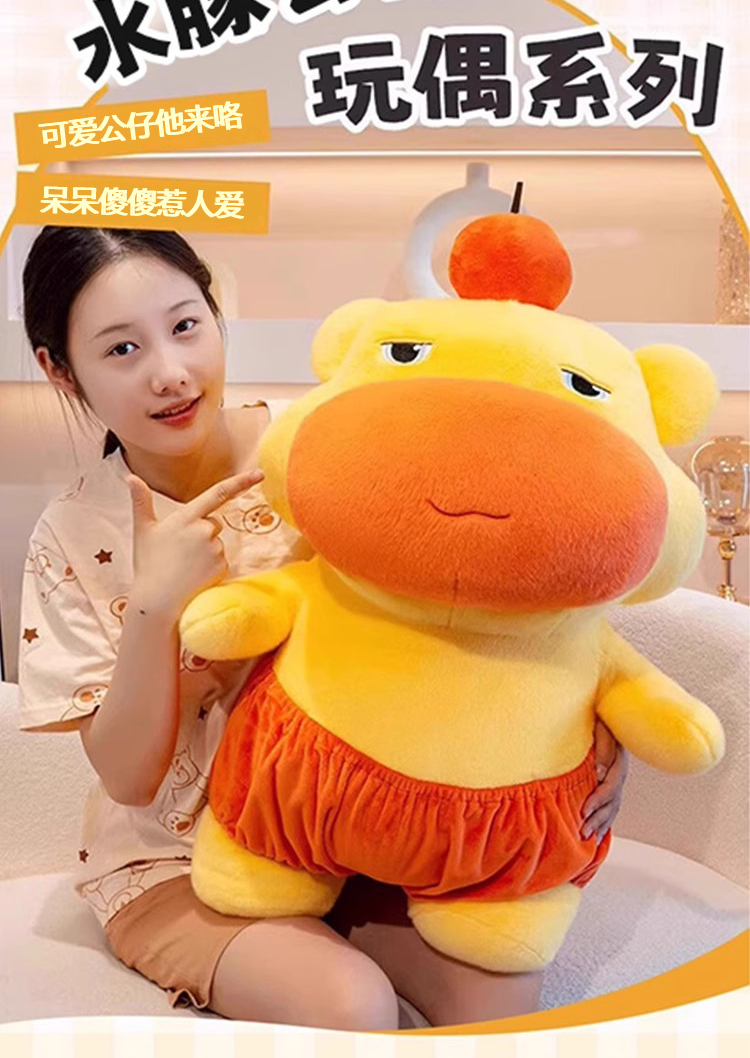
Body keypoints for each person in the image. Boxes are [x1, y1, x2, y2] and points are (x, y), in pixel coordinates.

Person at [17, 226, 628, 1029]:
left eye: (185, 326)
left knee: (498, 1000)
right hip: (177, 864)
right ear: (59, 368)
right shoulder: (70, 534)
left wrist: (593, 722)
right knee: (350, 1005)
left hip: (357, 832)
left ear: (215, 312)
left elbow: (479, 582)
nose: (170, 371)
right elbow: (129, 779)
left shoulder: (320, 449)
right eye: (122, 349)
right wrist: (156, 608)